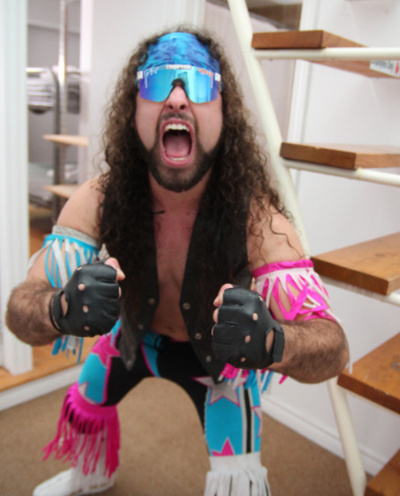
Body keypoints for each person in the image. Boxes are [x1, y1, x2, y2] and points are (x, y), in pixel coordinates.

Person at [6, 27, 349, 496]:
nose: (177, 99)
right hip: (132, 340)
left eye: (200, 85)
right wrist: (58, 309)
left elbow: (334, 348)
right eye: (156, 83)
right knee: (85, 401)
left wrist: (273, 341)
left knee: (238, 476)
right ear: (134, 111)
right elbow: (19, 311)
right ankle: (92, 473)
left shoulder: (258, 218)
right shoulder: (100, 198)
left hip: (218, 363)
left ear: (224, 113)